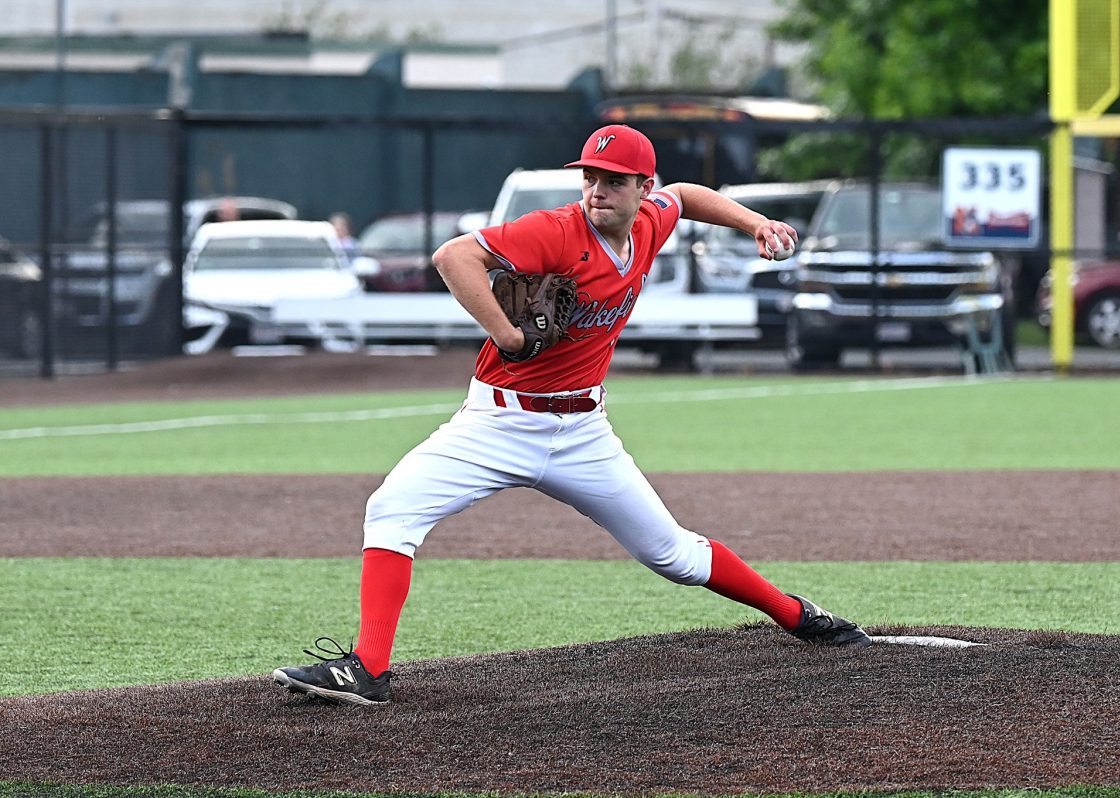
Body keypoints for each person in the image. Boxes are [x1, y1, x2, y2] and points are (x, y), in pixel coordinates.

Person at [272, 124, 871, 707]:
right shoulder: (555, 231)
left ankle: (796, 614)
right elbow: (453, 256)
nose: (597, 191)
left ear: (643, 188)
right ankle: (369, 668)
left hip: (583, 432)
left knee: (674, 556)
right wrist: (507, 335)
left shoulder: (650, 222)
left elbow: (686, 196)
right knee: (392, 509)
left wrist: (756, 222)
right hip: (497, 424)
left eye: (614, 180)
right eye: (590, 177)